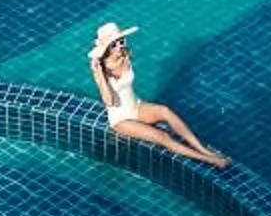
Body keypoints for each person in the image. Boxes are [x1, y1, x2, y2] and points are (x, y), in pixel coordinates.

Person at [88, 22, 228, 168]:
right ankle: (211, 160)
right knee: (163, 137)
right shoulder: (101, 70)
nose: (119, 47)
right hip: (121, 119)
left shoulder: (125, 55)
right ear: (106, 49)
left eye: (121, 41)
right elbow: (109, 102)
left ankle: (204, 150)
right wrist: (98, 72)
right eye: (113, 45)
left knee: (165, 111)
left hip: (137, 106)